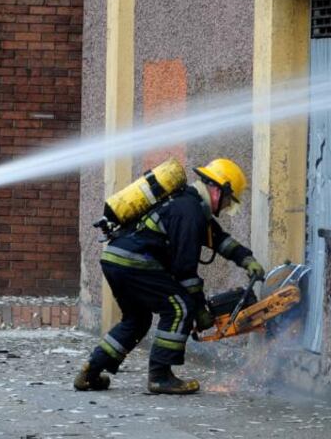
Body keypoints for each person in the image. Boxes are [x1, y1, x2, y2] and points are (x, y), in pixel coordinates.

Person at [74, 158, 265, 395]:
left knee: (137, 319)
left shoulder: (189, 204)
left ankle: (90, 371)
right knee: (180, 308)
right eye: (228, 200)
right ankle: (160, 376)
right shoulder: (190, 211)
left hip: (115, 259)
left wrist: (247, 260)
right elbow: (185, 270)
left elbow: (219, 239)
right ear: (217, 189)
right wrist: (198, 308)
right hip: (135, 263)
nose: (226, 206)